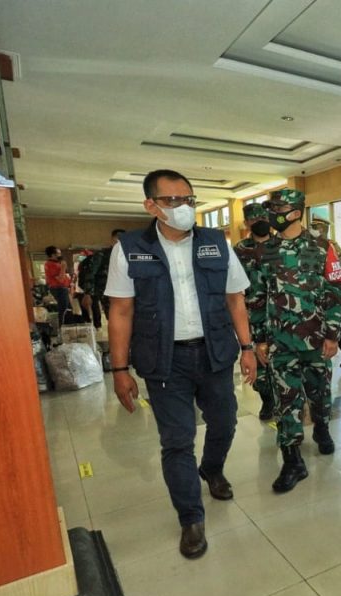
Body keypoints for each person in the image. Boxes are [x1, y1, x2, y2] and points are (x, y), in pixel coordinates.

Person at [105, 169, 256, 559]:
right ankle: (191, 517)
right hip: (163, 359)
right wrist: (119, 370)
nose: (182, 207)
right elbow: (121, 311)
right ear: (151, 205)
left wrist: (248, 347)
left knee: (225, 421)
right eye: (171, 200)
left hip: (215, 352)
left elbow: (235, 299)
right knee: (177, 441)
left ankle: (213, 467)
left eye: (188, 199)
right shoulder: (130, 247)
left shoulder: (216, 242)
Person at [257, 189, 341, 493]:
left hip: (316, 340)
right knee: (285, 402)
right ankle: (292, 460)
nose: (272, 213)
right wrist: (259, 339)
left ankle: (322, 428)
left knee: (319, 393)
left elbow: (336, 291)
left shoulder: (323, 247)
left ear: (295, 211)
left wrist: (333, 334)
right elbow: (257, 297)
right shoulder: (266, 250)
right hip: (280, 342)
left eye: (277, 208)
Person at [234, 203, 279, 421]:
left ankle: (286, 400)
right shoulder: (239, 250)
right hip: (253, 318)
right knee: (259, 367)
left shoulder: (281, 245)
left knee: (283, 360)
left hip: (282, 315)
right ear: (247, 223)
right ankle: (267, 399)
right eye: (254, 219)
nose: (260, 222)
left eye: (263, 217)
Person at [309, 216, 341, 368]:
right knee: (334, 326)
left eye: (318, 227)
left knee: (334, 326)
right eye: (313, 227)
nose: (315, 230)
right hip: (322, 293)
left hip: (333, 291)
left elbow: (336, 273)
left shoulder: (331, 246)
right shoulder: (313, 244)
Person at [77, 229, 125, 329]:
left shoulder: (127, 255)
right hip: (107, 293)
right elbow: (90, 273)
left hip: (126, 293)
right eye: (118, 239)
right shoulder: (102, 255)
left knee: (127, 320)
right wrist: (88, 294)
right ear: (112, 239)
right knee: (114, 320)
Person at [43, 246, 72, 319]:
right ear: (53, 255)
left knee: (68, 309)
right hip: (59, 289)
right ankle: (62, 327)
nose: (60, 255)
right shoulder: (51, 264)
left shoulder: (55, 263)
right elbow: (61, 279)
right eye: (58, 253)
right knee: (64, 310)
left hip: (61, 288)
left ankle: (68, 325)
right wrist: (63, 268)